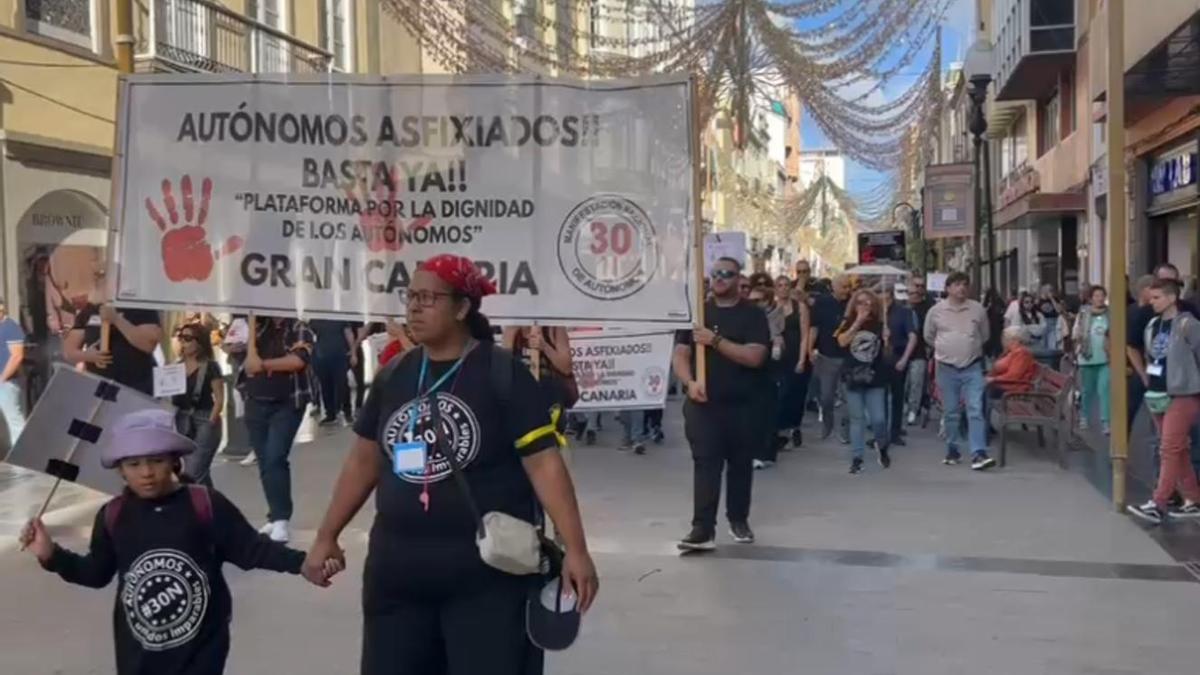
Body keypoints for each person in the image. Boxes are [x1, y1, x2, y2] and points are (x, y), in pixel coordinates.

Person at [303, 254, 597, 674]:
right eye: (411, 297)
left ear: (462, 308)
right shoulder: (394, 376)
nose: (414, 308)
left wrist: (577, 551)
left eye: (428, 298)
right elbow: (362, 461)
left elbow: (545, 465)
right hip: (397, 574)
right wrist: (326, 535)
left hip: (485, 579)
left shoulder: (503, 375)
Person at [18, 408, 322, 675]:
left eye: (156, 461)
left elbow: (252, 549)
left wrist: (302, 563)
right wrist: (51, 555)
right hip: (138, 656)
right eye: (134, 464)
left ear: (174, 462)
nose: (147, 472)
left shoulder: (205, 504)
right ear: (120, 470)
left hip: (201, 652)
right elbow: (96, 573)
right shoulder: (113, 516)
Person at [673, 256, 770, 550]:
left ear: (739, 280)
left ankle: (738, 518)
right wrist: (689, 382)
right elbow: (680, 354)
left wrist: (715, 341)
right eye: (715, 273)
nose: (719, 278)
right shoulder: (698, 314)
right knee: (705, 464)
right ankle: (702, 528)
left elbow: (755, 357)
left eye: (727, 274)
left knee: (740, 465)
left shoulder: (752, 315)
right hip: (704, 405)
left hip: (743, 404)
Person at [1127, 279, 1200, 523]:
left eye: (1157, 297)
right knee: (1178, 450)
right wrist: (1147, 377)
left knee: (1169, 448)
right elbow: (1151, 354)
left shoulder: (1188, 325)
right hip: (1157, 391)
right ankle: (1193, 499)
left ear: (1171, 298)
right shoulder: (1152, 325)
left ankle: (1159, 503)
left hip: (1182, 393)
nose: (1152, 302)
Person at [239, 317, 315, 543]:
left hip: (287, 402)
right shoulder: (255, 327)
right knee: (264, 461)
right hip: (255, 400)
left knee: (275, 457)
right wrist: (246, 339)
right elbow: (233, 349)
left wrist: (263, 365)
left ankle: (282, 518)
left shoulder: (298, 327)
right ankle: (275, 515)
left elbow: (298, 360)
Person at [925, 272, 996, 470]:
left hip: (972, 366)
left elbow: (985, 335)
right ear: (948, 288)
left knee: (975, 409)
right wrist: (946, 348)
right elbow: (929, 336)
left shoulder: (977, 310)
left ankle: (978, 453)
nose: (961, 288)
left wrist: (968, 347)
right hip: (946, 368)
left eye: (965, 284)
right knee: (951, 412)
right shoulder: (936, 311)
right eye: (956, 284)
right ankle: (953, 449)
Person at [837, 289, 891, 474]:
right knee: (857, 418)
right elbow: (842, 342)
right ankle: (857, 457)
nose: (864, 306)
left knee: (878, 419)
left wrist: (887, 340)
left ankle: (882, 445)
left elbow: (887, 355)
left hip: (875, 377)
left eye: (869, 303)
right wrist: (857, 323)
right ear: (854, 305)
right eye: (860, 302)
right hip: (853, 376)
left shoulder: (880, 324)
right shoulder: (848, 322)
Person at [63, 303, 161, 396]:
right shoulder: (89, 310)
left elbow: (148, 345)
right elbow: (69, 352)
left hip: (138, 386)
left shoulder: (142, 309)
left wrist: (116, 319)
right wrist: (88, 356)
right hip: (101, 387)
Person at [172, 323, 225, 487]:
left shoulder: (210, 366)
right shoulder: (175, 366)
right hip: (182, 418)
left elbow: (220, 397)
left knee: (194, 471)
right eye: (180, 337)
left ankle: (199, 507)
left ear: (199, 342)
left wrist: (212, 419)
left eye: (187, 338)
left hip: (204, 417)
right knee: (196, 470)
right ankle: (212, 505)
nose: (183, 342)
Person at [810, 274, 853, 442]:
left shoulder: (852, 304)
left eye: (848, 286)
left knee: (849, 399)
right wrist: (809, 349)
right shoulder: (822, 303)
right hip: (827, 356)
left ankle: (845, 430)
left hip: (848, 358)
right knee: (826, 397)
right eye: (843, 286)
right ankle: (828, 422)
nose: (847, 290)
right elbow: (814, 328)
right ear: (833, 287)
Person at [772, 275, 811, 450]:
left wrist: (802, 359)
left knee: (795, 393)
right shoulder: (772, 308)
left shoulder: (799, 307)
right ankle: (780, 431)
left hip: (795, 354)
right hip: (777, 356)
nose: (783, 288)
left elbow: (805, 335)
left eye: (786, 285)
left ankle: (794, 427)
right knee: (780, 394)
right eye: (780, 285)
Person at [1073, 285, 1111, 434]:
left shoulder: (1110, 313)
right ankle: (1084, 416)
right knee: (1087, 390)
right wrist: (1078, 344)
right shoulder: (1083, 313)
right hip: (1087, 357)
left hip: (1105, 358)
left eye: (1102, 295)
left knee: (1104, 390)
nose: (1100, 298)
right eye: (1096, 296)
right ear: (1090, 298)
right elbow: (1076, 333)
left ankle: (1105, 421)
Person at [885, 286, 918, 447]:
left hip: (897, 357)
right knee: (880, 397)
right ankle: (881, 431)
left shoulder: (903, 312)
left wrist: (905, 358)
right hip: (879, 360)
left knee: (897, 397)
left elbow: (912, 336)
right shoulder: (875, 313)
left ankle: (895, 431)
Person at [1126, 274, 1157, 434]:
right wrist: (1143, 373)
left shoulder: (1132, 310)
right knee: (1133, 405)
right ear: (1145, 290)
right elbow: (1131, 345)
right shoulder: (1142, 312)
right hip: (1141, 365)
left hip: (1144, 366)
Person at [309, 319, 356, 426]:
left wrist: (353, 353)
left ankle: (347, 412)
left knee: (342, 384)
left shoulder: (339, 316)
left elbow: (349, 334)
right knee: (325, 385)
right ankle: (330, 414)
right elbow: (309, 336)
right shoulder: (314, 318)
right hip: (321, 356)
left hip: (339, 355)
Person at [903, 277, 933, 425]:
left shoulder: (929, 307)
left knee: (916, 382)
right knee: (905, 384)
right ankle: (906, 405)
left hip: (920, 351)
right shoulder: (902, 308)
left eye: (921, 286)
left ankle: (913, 410)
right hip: (901, 352)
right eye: (915, 287)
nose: (917, 290)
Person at [0, 295, 26, 448]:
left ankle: (23, 455)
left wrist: (2, 378)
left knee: (12, 419)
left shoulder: (11, 327)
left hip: (7, 383)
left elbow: (17, 356)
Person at [987, 327, 1038, 394]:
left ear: (1016, 340)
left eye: (1006, 338)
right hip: (1001, 385)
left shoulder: (1022, 353)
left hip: (1013, 389)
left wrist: (994, 379)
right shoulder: (1009, 352)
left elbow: (1013, 376)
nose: (1003, 341)